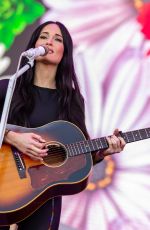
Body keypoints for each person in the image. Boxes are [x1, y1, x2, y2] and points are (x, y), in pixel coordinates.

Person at [0, 21, 126, 230]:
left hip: (43, 197)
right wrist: (12, 137)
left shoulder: (72, 100)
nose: (49, 41)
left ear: (64, 52)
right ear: (33, 45)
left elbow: (77, 154)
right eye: (44, 36)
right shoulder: (8, 86)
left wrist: (103, 151)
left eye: (57, 39)